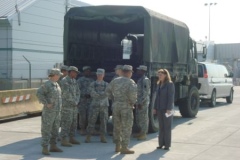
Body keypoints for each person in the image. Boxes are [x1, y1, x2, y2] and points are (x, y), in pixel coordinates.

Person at [106, 65, 137, 154]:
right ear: (128, 72)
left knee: (117, 126)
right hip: (126, 107)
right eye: (131, 72)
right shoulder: (131, 82)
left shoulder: (115, 81)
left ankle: (117, 146)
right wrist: (132, 102)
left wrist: (114, 99)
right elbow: (133, 96)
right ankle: (124, 147)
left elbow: (107, 91)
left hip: (116, 106)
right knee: (126, 127)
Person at [36, 68, 63, 155]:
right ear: (54, 75)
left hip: (57, 111)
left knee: (55, 129)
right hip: (49, 112)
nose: (59, 76)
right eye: (58, 75)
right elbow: (39, 93)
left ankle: (53, 146)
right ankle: (45, 147)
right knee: (46, 129)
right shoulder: (47, 84)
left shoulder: (56, 84)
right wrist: (46, 103)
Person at [153, 69, 175, 150]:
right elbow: (156, 97)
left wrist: (169, 108)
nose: (159, 76)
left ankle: (167, 145)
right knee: (161, 127)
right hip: (160, 108)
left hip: (168, 109)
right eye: (158, 75)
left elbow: (171, 97)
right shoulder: (159, 84)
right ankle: (161, 144)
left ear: (166, 75)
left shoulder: (170, 84)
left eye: (161, 74)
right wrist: (155, 107)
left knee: (167, 127)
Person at [85, 68, 109, 143]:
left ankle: (103, 136)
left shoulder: (106, 84)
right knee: (91, 121)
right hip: (94, 105)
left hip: (104, 106)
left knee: (104, 121)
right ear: (96, 75)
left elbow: (107, 93)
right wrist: (98, 95)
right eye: (98, 74)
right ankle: (88, 136)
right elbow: (91, 92)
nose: (99, 75)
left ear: (103, 75)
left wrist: (100, 95)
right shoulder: (93, 84)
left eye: (101, 74)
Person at [60, 66, 81, 146]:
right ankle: (64, 139)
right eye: (75, 72)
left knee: (74, 123)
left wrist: (77, 101)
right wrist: (74, 102)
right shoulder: (64, 81)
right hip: (67, 106)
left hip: (74, 106)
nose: (76, 74)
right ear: (70, 72)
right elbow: (66, 94)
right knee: (66, 123)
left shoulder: (74, 81)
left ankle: (72, 138)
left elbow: (78, 92)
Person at [134, 65, 151, 140]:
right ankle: (141, 132)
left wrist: (141, 102)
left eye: (139, 70)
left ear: (143, 71)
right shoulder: (141, 79)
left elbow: (145, 92)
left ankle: (144, 134)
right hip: (139, 101)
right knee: (139, 117)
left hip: (143, 102)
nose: (138, 71)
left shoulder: (145, 80)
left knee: (143, 118)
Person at [77, 66, 94, 135]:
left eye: (89, 71)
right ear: (84, 72)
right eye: (86, 71)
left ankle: (89, 129)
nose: (88, 72)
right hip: (82, 100)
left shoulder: (92, 81)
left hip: (90, 101)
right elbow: (77, 90)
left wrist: (91, 95)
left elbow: (93, 90)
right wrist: (84, 94)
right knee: (82, 116)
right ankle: (82, 129)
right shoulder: (80, 80)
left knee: (90, 116)